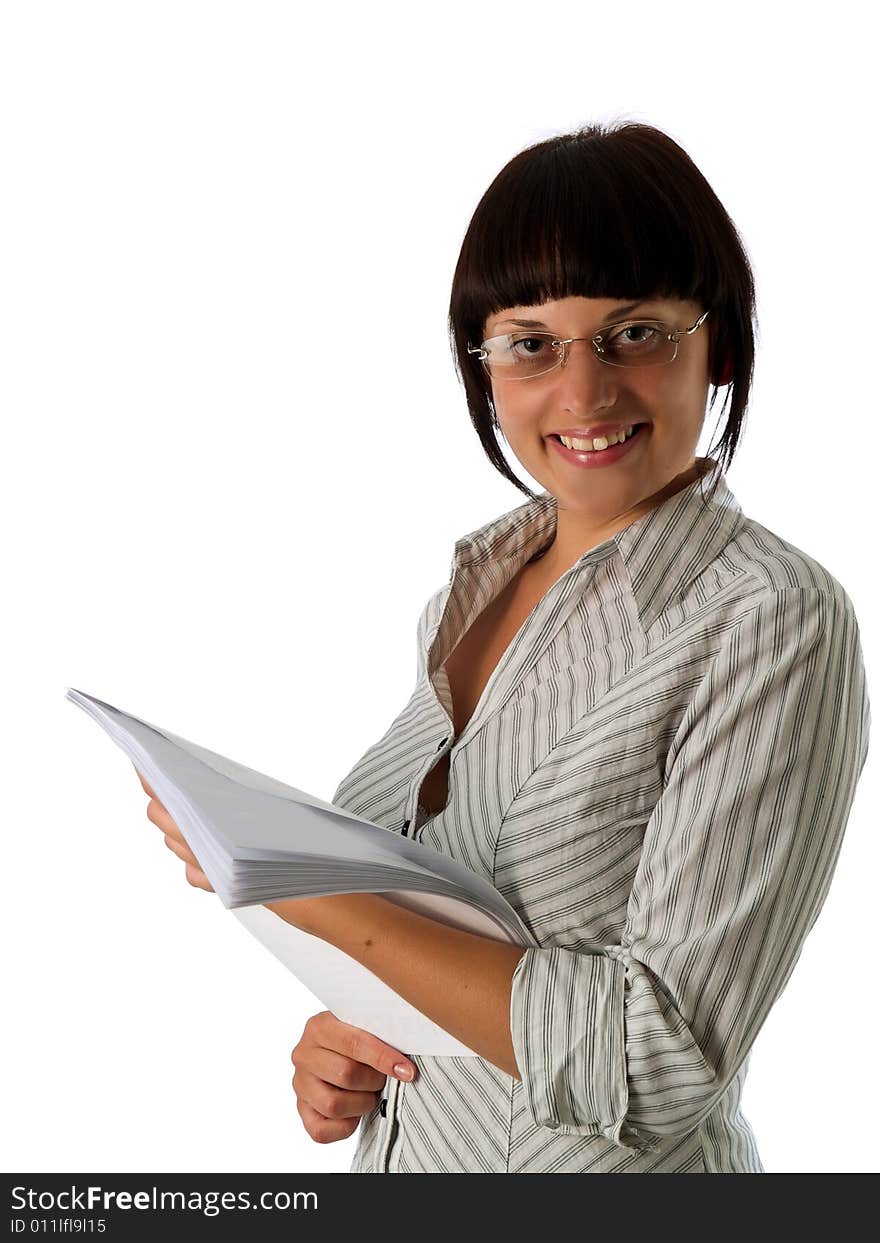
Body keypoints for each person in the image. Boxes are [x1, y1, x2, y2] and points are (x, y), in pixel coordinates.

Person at [138, 120, 871, 1173]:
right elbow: (447, 924)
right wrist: (359, 1028)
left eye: (634, 334)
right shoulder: (470, 593)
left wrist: (289, 882)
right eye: (531, 343)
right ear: (484, 367)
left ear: (722, 344)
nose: (583, 393)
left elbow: (654, 1061)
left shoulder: (770, 618)